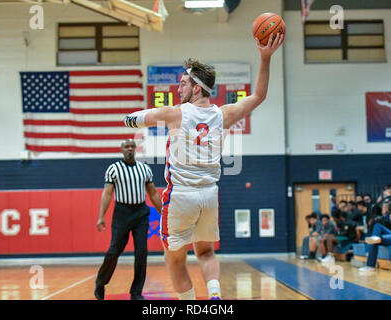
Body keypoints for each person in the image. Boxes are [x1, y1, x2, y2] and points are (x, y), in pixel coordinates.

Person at [124, 34, 284, 300]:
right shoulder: (224, 115)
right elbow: (259, 95)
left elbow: (134, 120)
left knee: (174, 259)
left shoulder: (175, 112)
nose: (179, 88)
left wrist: (127, 119)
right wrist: (265, 58)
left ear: (197, 88)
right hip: (210, 195)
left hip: (181, 195)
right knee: (206, 252)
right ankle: (214, 297)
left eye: (183, 83)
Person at [94, 139, 162, 300]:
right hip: (122, 213)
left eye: (132, 146)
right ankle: (101, 282)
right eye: (127, 147)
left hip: (141, 213)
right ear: (122, 149)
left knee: (141, 253)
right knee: (114, 250)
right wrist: (101, 216)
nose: (130, 149)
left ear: (136, 149)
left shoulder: (144, 169)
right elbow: (107, 193)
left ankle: (136, 292)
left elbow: (152, 193)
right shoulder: (113, 169)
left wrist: (164, 212)